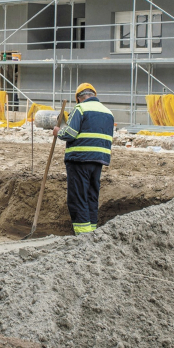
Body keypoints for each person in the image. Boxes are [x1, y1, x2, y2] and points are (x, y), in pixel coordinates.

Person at [53, 83, 115, 235]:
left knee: (78, 198)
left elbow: (70, 134)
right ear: (94, 95)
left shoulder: (80, 109)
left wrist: (58, 132)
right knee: (91, 197)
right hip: (98, 160)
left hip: (79, 159)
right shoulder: (108, 113)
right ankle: (92, 232)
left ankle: (82, 236)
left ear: (79, 98)